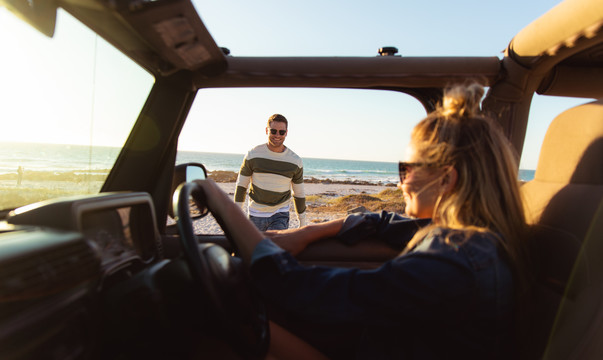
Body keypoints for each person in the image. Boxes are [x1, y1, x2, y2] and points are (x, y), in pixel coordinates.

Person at [195, 83, 529, 359]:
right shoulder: (467, 238)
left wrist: (221, 203)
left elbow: (311, 293)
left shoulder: (453, 260)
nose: (400, 183)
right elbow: (384, 221)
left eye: (406, 169)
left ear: (445, 179)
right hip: (380, 344)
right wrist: (311, 231)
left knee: (223, 322)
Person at [234, 114, 307, 230]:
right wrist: (236, 215)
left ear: (286, 133)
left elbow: (298, 193)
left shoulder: (295, 161)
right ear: (267, 130)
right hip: (255, 214)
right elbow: (241, 186)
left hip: (280, 214)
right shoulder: (253, 155)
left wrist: (302, 222)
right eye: (273, 131)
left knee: (275, 248)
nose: (277, 135)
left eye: (281, 132)